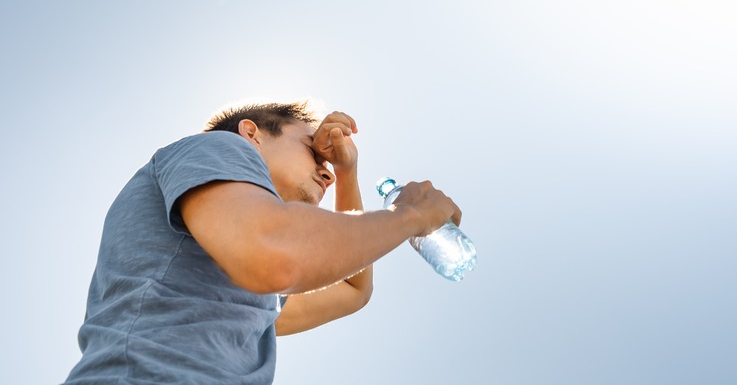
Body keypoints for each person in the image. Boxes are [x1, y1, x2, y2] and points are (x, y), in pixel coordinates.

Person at [64, 101, 462, 384]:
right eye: (313, 151)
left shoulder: (242, 273)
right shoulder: (218, 147)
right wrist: (409, 215)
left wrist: (346, 172)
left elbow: (352, 288)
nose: (325, 172)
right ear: (252, 134)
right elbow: (276, 257)